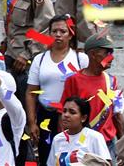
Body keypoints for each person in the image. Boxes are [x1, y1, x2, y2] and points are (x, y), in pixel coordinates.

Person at [26, 15, 89, 165]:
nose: (58, 34)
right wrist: (32, 122)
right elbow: (30, 92)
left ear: (70, 34)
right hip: (45, 116)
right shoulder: (39, 59)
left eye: (63, 31)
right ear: (49, 34)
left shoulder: (81, 58)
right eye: (54, 31)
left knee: (73, 158)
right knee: (47, 157)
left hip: (73, 118)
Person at [61, 34, 124, 161]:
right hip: (83, 145)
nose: (111, 57)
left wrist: (123, 148)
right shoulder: (74, 80)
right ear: (93, 54)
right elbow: (64, 115)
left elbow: (117, 114)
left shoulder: (112, 81)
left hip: (108, 145)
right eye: (107, 53)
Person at [48, 97, 112, 166]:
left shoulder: (95, 137)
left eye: (72, 112)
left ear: (83, 118)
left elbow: (107, 164)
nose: (66, 115)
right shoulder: (57, 139)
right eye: (64, 111)